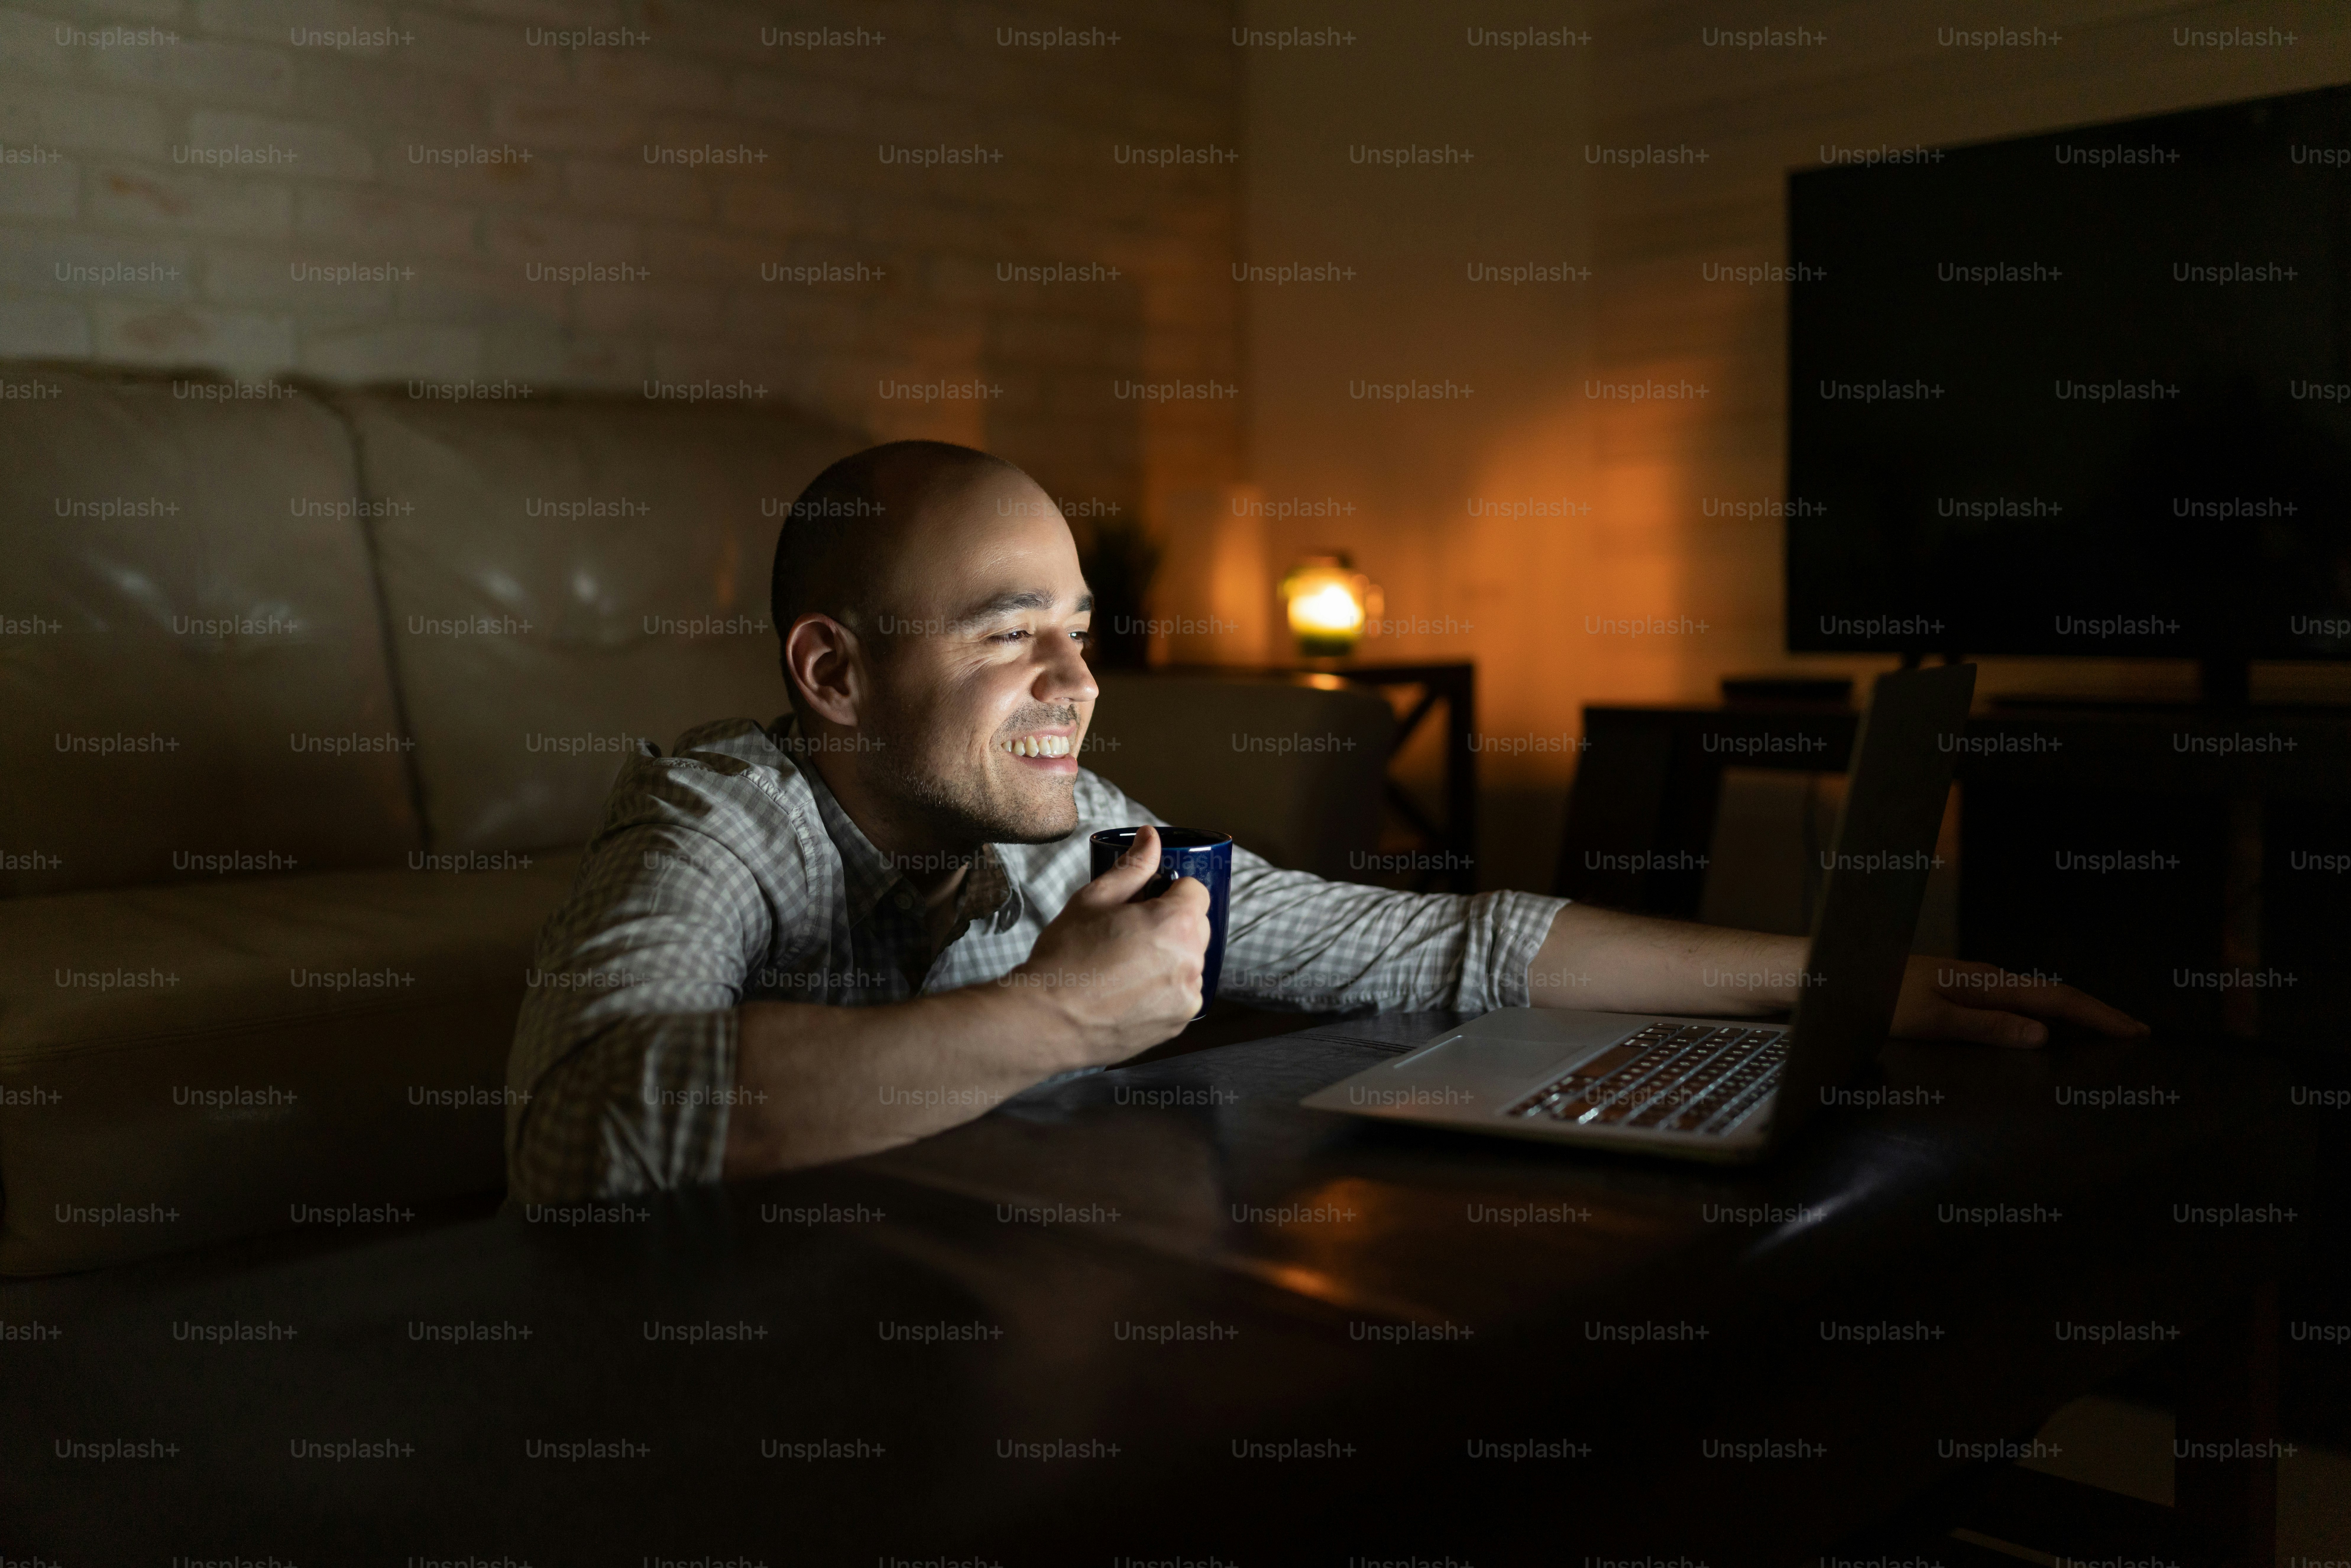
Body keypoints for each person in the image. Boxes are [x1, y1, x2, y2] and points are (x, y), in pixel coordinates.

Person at [505, 440, 2144, 1204]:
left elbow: (1433, 941)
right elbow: (588, 1122)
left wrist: (1847, 983)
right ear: (836, 674)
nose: (1081, 678)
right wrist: (1054, 1013)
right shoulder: (722, 814)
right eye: (1015, 631)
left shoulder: (1064, 823)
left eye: (1084, 625)